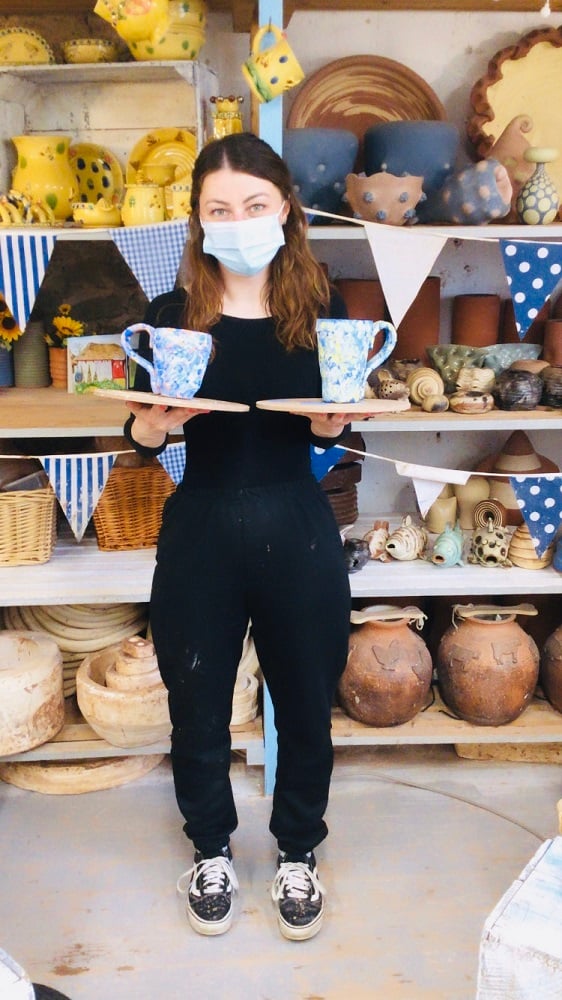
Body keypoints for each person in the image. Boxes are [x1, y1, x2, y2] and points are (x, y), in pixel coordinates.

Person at [123, 132, 356, 942]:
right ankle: (211, 847)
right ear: (196, 218)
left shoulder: (319, 311)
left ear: (285, 210)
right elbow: (141, 437)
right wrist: (152, 428)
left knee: (305, 702)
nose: (238, 221)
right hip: (202, 523)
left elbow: (332, 424)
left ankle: (298, 852)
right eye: (219, 209)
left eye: (254, 206)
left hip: (298, 522)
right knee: (196, 703)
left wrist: (334, 424)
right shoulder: (169, 316)